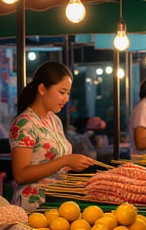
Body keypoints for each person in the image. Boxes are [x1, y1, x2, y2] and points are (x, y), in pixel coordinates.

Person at [9, 62, 96, 211]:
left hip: (56, 203)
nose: (66, 99)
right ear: (42, 89)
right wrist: (65, 160)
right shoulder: (24, 124)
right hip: (32, 206)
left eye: (68, 93)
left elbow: (54, 165)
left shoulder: (54, 120)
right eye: (62, 92)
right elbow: (21, 175)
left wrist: (75, 166)